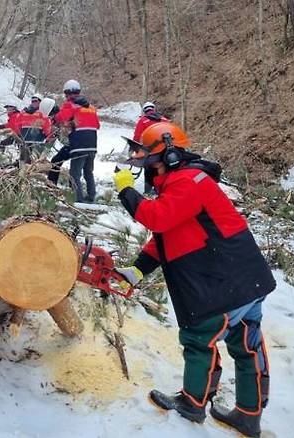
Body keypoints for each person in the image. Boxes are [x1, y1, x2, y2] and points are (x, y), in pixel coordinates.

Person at [112, 121, 276, 438]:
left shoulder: (189, 181)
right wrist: (137, 270)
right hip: (245, 279)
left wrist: (126, 191)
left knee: (199, 338)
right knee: (246, 345)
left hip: (224, 280)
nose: (139, 159)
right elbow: (167, 233)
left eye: (144, 153)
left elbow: (157, 217)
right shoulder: (185, 182)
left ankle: (192, 403)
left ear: (168, 153)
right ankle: (248, 415)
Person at [49, 80, 100, 203]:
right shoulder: (91, 108)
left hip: (79, 144)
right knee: (88, 172)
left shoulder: (71, 105)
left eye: (66, 95)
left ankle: (78, 200)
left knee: (74, 174)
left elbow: (61, 117)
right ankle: (91, 196)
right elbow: (97, 125)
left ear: (67, 93)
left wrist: (53, 119)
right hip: (92, 145)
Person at [132, 102, 169, 194]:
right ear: (154, 109)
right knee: (163, 170)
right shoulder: (164, 120)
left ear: (144, 111)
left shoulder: (143, 121)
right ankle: (162, 190)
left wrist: (134, 149)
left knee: (148, 171)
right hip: (165, 150)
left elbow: (137, 137)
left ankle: (148, 191)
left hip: (150, 150)